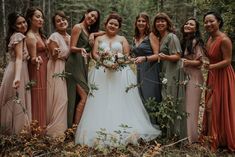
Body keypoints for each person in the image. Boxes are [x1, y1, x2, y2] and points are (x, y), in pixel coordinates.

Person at [75, 13, 161, 147]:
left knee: (119, 99)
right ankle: (99, 130)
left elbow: (126, 55)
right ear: (106, 24)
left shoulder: (122, 39)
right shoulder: (99, 38)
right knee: (100, 99)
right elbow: (94, 54)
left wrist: (118, 62)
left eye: (116, 24)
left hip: (119, 73)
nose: (113, 26)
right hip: (101, 72)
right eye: (111, 23)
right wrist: (103, 62)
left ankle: (123, 129)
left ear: (119, 27)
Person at [200, 11, 235, 151]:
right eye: (206, 22)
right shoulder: (209, 38)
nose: (208, 24)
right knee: (212, 108)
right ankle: (212, 138)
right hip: (213, 75)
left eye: (211, 21)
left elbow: (227, 61)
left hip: (223, 76)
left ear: (219, 22)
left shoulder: (224, 39)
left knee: (211, 107)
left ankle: (213, 140)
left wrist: (211, 66)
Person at [65, 8, 101, 128]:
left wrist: (93, 34)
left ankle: (75, 126)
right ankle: (74, 128)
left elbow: (106, 32)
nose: (92, 19)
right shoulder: (78, 27)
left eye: (95, 18)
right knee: (85, 94)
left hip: (83, 64)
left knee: (80, 96)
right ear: (85, 14)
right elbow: (72, 47)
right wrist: (81, 49)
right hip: (74, 63)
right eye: (91, 16)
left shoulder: (89, 30)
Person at [152, 12, 184, 137]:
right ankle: (166, 130)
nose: (160, 23)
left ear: (168, 23)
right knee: (165, 99)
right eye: (157, 21)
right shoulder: (159, 37)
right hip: (164, 71)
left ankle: (173, 133)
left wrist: (165, 57)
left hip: (173, 71)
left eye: (163, 21)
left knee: (170, 99)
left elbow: (177, 56)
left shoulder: (172, 37)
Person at [0, 12, 31, 134]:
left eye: (24, 22)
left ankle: (9, 130)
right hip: (17, 71)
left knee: (13, 100)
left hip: (14, 69)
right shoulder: (18, 36)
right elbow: (19, 58)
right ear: (14, 26)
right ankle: (17, 132)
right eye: (19, 23)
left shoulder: (16, 35)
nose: (23, 25)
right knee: (17, 99)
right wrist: (17, 77)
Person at [46, 11, 70, 137]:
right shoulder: (54, 36)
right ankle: (56, 131)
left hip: (66, 68)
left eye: (63, 19)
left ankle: (63, 128)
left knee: (64, 98)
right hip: (56, 67)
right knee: (60, 98)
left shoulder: (70, 37)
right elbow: (54, 56)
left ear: (67, 20)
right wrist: (55, 51)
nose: (62, 22)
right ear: (55, 25)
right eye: (58, 21)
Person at [180, 18, 204, 143]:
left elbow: (200, 62)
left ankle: (190, 138)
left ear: (195, 29)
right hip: (185, 76)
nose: (188, 25)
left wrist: (186, 61)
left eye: (191, 24)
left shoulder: (196, 42)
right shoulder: (185, 40)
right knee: (184, 106)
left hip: (194, 76)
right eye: (187, 23)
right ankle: (184, 134)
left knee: (191, 107)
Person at [131, 12, 162, 104]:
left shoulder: (151, 36)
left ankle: (153, 119)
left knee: (150, 96)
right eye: (139, 21)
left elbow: (157, 55)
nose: (141, 23)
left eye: (143, 21)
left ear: (147, 23)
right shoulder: (135, 37)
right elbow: (136, 55)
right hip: (140, 69)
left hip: (151, 69)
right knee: (141, 97)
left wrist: (144, 58)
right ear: (136, 23)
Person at [25, 7, 48, 128]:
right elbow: (33, 58)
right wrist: (36, 60)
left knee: (43, 95)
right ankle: (37, 129)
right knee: (37, 95)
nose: (41, 19)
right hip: (37, 68)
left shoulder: (40, 34)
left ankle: (43, 125)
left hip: (44, 67)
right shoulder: (30, 36)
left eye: (41, 17)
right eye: (37, 17)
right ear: (30, 19)